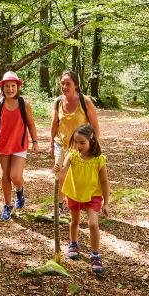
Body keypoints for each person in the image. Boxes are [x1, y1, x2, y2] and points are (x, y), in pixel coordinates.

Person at [55, 123, 110, 274]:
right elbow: (62, 173)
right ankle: (73, 244)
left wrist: (106, 202)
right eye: (75, 142)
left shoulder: (99, 159)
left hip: (93, 195)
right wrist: (57, 170)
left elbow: (105, 181)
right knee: (75, 221)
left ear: (91, 140)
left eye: (82, 142)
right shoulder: (72, 156)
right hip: (74, 193)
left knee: (93, 224)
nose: (78, 145)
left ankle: (95, 255)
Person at [0, 71, 39, 222]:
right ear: (2, 88)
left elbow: (30, 123)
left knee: (15, 176)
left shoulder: (24, 104)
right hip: (3, 144)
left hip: (19, 144)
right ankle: (7, 205)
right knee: (5, 176)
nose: (10, 89)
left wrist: (35, 142)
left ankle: (19, 190)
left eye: (13, 86)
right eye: (7, 86)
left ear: (18, 87)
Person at [49, 70, 100, 210]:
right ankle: (59, 206)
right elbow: (54, 124)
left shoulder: (85, 102)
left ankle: (83, 203)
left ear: (76, 85)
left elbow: (95, 126)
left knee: (77, 177)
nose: (64, 87)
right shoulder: (58, 102)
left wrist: (95, 147)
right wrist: (51, 145)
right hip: (61, 144)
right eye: (62, 83)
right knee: (61, 175)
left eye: (68, 84)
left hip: (79, 146)